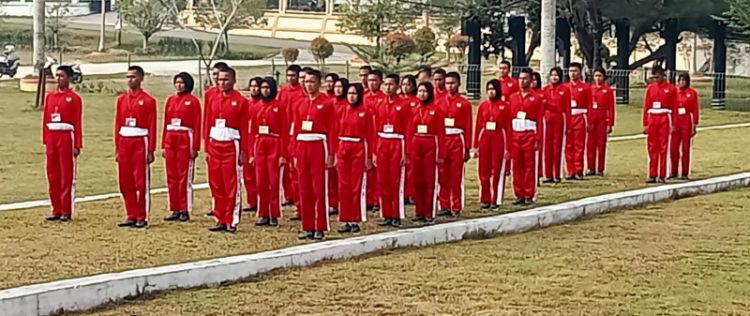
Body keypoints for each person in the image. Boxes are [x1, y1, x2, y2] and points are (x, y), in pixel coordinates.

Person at [293, 69, 338, 241]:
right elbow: (295, 129)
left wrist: (332, 153)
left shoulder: (327, 103)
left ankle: (320, 226)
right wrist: (294, 153)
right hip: (302, 145)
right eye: (306, 81)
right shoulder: (299, 103)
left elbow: (333, 129)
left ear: (319, 83)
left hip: (319, 145)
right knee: (304, 188)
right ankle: (307, 225)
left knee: (319, 188)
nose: (308, 84)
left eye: (312, 81)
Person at [204, 67, 249, 233]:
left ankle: (231, 219)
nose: (222, 82)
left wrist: (244, 150)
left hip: (232, 144)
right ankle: (220, 217)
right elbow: (207, 122)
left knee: (231, 183)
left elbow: (245, 128)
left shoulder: (241, 101)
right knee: (216, 183)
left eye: (226, 79)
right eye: (220, 79)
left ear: (233, 80)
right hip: (215, 143)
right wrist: (207, 146)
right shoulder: (213, 98)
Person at [115, 66, 157, 228]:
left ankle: (142, 215)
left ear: (140, 78)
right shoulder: (121, 100)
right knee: (125, 180)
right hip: (125, 140)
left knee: (140, 180)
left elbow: (152, 125)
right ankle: (130, 213)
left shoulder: (148, 100)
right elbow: (118, 123)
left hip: (140, 141)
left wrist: (150, 149)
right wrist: (117, 148)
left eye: (133, 77)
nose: (130, 80)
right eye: (127, 77)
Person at [43, 65, 83, 222]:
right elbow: (46, 119)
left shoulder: (74, 98)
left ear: (69, 78)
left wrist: (77, 144)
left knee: (66, 174)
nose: (58, 78)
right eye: (57, 75)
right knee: (52, 174)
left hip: (66, 137)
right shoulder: (50, 97)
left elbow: (77, 122)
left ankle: (66, 210)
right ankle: (56, 209)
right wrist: (45, 140)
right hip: (52, 137)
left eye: (61, 76)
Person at [247, 77, 289, 227]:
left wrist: (283, 154)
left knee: (274, 181)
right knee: (261, 181)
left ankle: (274, 213)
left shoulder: (280, 106)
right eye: (262, 87)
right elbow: (252, 132)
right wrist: (251, 153)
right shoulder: (255, 106)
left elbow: (284, 130)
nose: (264, 90)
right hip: (260, 143)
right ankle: (263, 212)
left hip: (275, 143)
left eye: (267, 87)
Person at [162, 72, 201, 222]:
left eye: (182, 83)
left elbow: (197, 123)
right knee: (172, 175)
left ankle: (185, 208)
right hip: (171, 137)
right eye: (176, 82)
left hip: (185, 137)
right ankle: (175, 207)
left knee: (184, 175)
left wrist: (195, 147)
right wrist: (163, 145)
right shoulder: (170, 100)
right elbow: (166, 122)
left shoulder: (193, 101)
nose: (179, 85)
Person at [336, 83, 375, 233]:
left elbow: (370, 135)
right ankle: (345, 218)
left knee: (356, 185)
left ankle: (356, 219)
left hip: (358, 147)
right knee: (343, 185)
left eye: (354, 94)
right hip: (343, 147)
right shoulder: (341, 110)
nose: (351, 96)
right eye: (349, 93)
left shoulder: (365, 111)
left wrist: (369, 156)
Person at [374, 74, 412, 227]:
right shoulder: (380, 104)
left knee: (395, 180)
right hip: (382, 141)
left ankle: (397, 213)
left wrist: (406, 152)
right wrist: (374, 151)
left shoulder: (403, 105)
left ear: (397, 86)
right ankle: (387, 213)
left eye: (391, 84)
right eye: (386, 84)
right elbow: (375, 127)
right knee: (383, 180)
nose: (388, 87)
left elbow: (409, 129)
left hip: (397, 141)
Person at [408, 82, 446, 225]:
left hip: (431, 144)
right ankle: (419, 211)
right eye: (419, 91)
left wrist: (441, 154)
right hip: (416, 143)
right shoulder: (414, 109)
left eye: (425, 91)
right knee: (417, 180)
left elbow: (441, 133)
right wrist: (408, 151)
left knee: (429, 180)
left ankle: (430, 212)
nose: (422, 94)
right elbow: (410, 130)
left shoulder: (436, 110)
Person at [437, 72, 472, 217]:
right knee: (442, 173)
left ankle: (456, 206)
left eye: (452, 83)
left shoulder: (464, 103)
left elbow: (468, 126)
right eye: (447, 83)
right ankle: (444, 204)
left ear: (458, 84)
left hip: (458, 138)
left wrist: (468, 147)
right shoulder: (439, 101)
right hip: (443, 138)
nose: (450, 86)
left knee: (456, 174)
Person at [508, 68, 544, 206]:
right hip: (516, 134)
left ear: (531, 80)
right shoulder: (513, 97)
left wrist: (537, 138)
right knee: (517, 165)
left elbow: (540, 120)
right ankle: (519, 194)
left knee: (529, 166)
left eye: (525, 78)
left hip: (529, 134)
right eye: (520, 78)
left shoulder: (536, 98)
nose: (522, 81)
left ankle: (529, 194)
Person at [474, 79, 510, 210]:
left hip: (498, 136)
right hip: (485, 136)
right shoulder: (483, 105)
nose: (491, 92)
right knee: (483, 170)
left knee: (497, 169)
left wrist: (508, 148)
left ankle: (496, 198)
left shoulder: (505, 106)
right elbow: (478, 125)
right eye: (489, 89)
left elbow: (508, 127)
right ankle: (485, 198)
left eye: (493, 89)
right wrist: (476, 146)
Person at [643, 66, 678, 183]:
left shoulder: (671, 88)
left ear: (663, 76)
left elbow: (674, 107)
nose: (656, 80)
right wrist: (645, 123)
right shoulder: (650, 88)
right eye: (654, 78)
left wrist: (674, 123)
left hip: (664, 116)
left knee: (663, 147)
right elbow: (646, 106)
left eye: (658, 77)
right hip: (652, 117)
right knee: (652, 147)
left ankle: (662, 174)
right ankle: (652, 174)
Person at [204, 62, 229, 217]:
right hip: (214, 138)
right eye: (214, 75)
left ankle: (227, 209)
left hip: (228, 140)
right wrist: (206, 144)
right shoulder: (209, 94)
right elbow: (207, 119)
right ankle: (216, 206)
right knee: (214, 177)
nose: (216, 79)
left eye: (218, 75)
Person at [279, 65, 305, 212]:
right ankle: (289, 195)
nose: (291, 78)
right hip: (285, 131)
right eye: (288, 75)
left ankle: (300, 202)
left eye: (294, 76)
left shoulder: (303, 94)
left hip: (298, 133)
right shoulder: (283, 91)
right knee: (287, 166)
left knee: (297, 168)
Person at [542, 67, 571, 183]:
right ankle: (548, 174)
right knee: (547, 147)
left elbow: (567, 108)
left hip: (559, 118)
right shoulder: (546, 90)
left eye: (556, 75)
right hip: (548, 118)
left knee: (557, 147)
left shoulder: (564, 90)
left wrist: (568, 125)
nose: (554, 77)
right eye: (552, 75)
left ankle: (557, 174)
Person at [364, 70, 387, 212]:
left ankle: (377, 199)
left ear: (380, 82)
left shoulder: (383, 99)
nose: (372, 83)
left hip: (378, 137)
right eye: (369, 80)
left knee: (377, 171)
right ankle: (367, 199)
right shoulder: (363, 98)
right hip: (365, 136)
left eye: (375, 80)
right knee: (366, 170)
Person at [670, 72, 700, 180]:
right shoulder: (674, 92)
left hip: (686, 120)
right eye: (680, 80)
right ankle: (673, 171)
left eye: (684, 80)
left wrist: (695, 124)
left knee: (685, 148)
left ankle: (685, 172)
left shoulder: (692, 93)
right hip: (675, 120)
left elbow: (695, 109)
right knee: (673, 148)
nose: (682, 82)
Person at [564, 62, 591, 180]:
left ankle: (579, 169)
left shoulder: (585, 87)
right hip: (569, 117)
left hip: (580, 116)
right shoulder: (565, 87)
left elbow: (589, 104)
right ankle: (570, 170)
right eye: (570, 71)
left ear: (580, 72)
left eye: (575, 71)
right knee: (568, 145)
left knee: (579, 145)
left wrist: (589, 121)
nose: (572, 74)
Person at [587, 69, 616, 176]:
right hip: (591, 119)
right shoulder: (590, 89)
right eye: (596, 76)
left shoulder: (608, 90)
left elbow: (611, 107)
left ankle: (600, 168)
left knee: (601, 144)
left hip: (602, 119)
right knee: (590, 144)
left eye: (600, 76)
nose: (598, 78)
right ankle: (591, 167)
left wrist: (610, 123)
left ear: (603, 77)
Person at [242, 77, 263, 213]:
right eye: (252, 86)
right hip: (247, 138)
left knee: (259, 174)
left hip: (259, 139)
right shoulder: (247, 104)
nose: (254, 89)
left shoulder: (262, 104)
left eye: (257, 86)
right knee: (247, 173)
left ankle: (261, 201)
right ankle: (252, 201)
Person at [399, 74, 419, 206]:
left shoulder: (416, 101)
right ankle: (402, 193)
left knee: (412, 167)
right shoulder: (399, 100)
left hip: (413, 136)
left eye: (408, 84)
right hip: (399, 137)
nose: (406, 87)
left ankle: (411, 193)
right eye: (404, 84)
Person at [531, 71, 546, 179]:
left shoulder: (541, 93)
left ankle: (539, 172)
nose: (533, 82)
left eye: (535, 80)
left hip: (539, 122)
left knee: (539, 150)